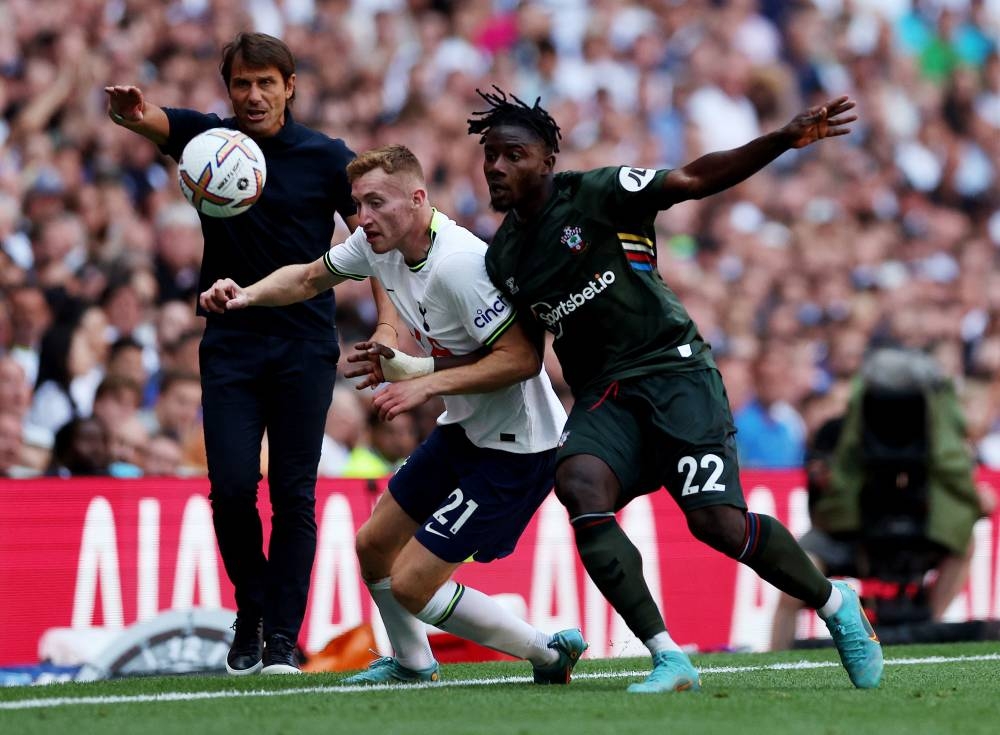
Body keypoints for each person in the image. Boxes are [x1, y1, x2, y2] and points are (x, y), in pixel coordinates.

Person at [466, 88, 883, 691]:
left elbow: (690, 178)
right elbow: (526, 351)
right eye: (490, 157)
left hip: (672, 370)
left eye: (513, 155)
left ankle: (835, 603)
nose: (497, 168)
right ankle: (667, 655)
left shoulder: (598, 192)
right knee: (579, 483)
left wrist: (781, 139)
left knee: (716, 525)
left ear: (547, 159)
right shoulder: (502, 256)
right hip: (607, 396)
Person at [199, 144, 587, 686]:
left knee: (412, 584)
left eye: (376, 203)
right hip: (467, 427)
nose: (363, 218)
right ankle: (412, 662)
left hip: (517, 446)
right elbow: (309, 278)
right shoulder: (378, 244)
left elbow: (522, 359)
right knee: (372, 546)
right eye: (358, 204)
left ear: (417, 199)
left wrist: (422, 382)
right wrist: (245, 296)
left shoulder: (459, 263)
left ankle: (546, 651)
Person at [106, 32, 397, 676]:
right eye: (243, 83)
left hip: (303, 344)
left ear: (291, 86)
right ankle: (253, 606)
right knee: (232, 488)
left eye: (268, 82)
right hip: (230, 341)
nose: (255, 94)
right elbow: (148, 118)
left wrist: (388, 322)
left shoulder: (326, 159)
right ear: (229, 89)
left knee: (294, 495)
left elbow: (372, 237)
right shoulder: (208, 141)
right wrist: (130, 112)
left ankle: (282, 639)